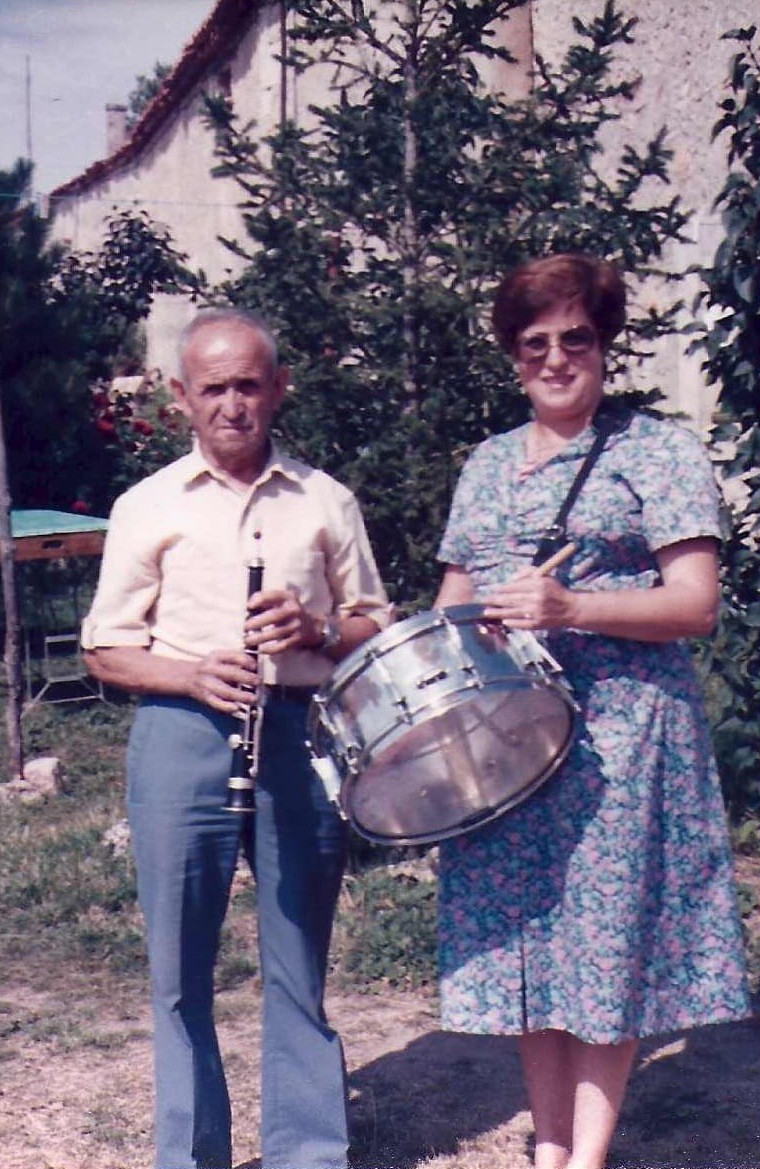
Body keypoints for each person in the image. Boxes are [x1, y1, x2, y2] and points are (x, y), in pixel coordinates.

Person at [433, 254, 750, 1169]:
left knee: (605, 944)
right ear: (513, 355)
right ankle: (550, 1144)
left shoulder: (657, 451)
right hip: (507, 743)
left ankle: (588, 1155)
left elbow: (696, 603)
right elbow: (453, 599)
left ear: (605, 344)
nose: (556, 358)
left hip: (623, 736)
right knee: (531, 942)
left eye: (576, 338)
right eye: (534, 343)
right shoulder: (486, 464)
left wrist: (572, 607)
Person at [82, 307, 393, 1169]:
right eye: (213, 387)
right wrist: (189, 675)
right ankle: (193, 1156)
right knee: (180, 969)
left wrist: (318, 629)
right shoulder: (146, 505)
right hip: (180, 733)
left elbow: (374, 620)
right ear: (182, 395)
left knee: (298, 957)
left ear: (278, 388)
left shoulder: (325, 499)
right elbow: (104, 647)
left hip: (299, 733)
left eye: (248, 385)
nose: (232, 404)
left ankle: (308, 1153)